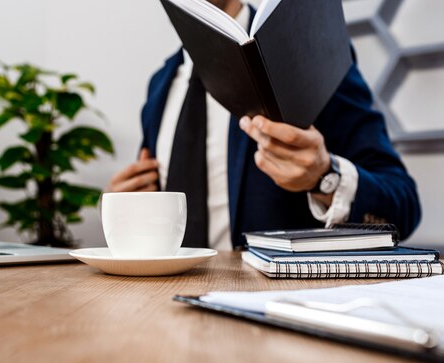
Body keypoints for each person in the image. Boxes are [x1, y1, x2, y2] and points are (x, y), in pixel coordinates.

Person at [107, 0, 420, 250]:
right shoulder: (159, 86)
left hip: (270, 309)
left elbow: (403, 206)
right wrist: (124, 210)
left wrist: (326, 178)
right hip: (165, 310)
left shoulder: (305, 52)